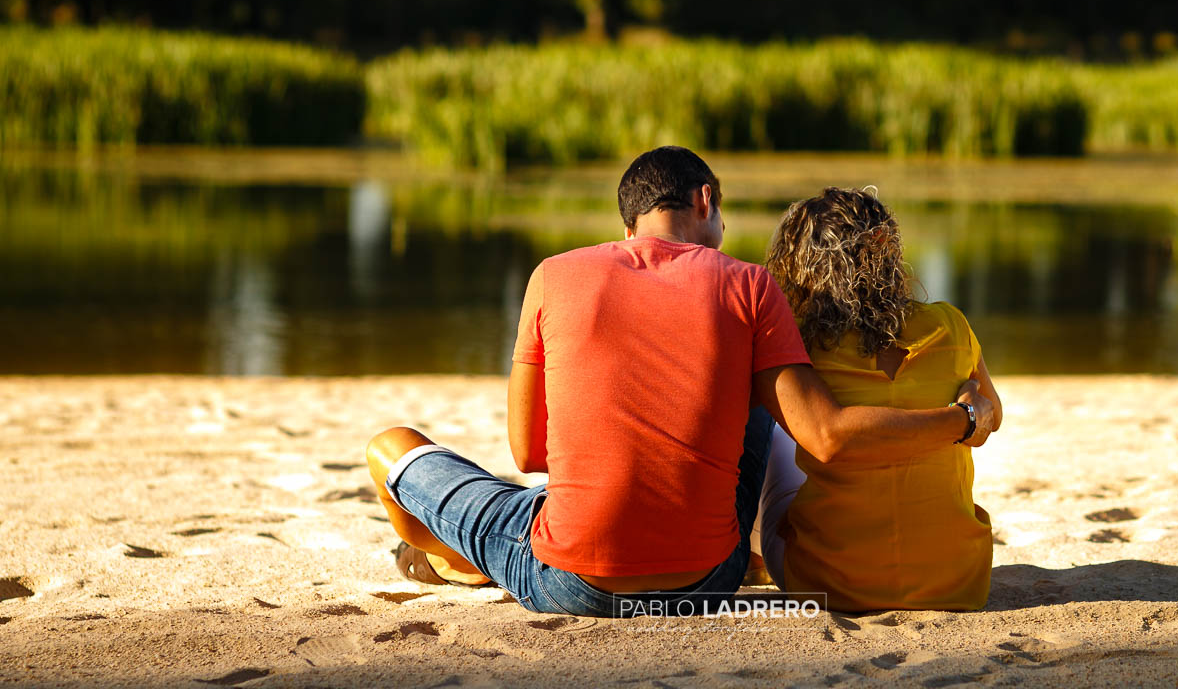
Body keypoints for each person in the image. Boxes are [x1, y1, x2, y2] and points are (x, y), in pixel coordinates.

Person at [366, 147, 998, 617]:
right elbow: (818, 430)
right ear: (705, 201)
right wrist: (965, 419)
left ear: (628, 226)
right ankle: (459, 559)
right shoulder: (748, 282)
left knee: (392, 447)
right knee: (757, 397)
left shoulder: (552, 276)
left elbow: (530, 453)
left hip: (574, 583)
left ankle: (446, 554)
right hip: (708, 580)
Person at [752, 186, 1002, 611]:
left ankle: (752, 558)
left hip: (832, 581)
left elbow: (827, 437)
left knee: (767, 430)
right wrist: (960, 415)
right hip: (958, 581)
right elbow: (986, 421)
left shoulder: (800, 348)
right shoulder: (951, 326)